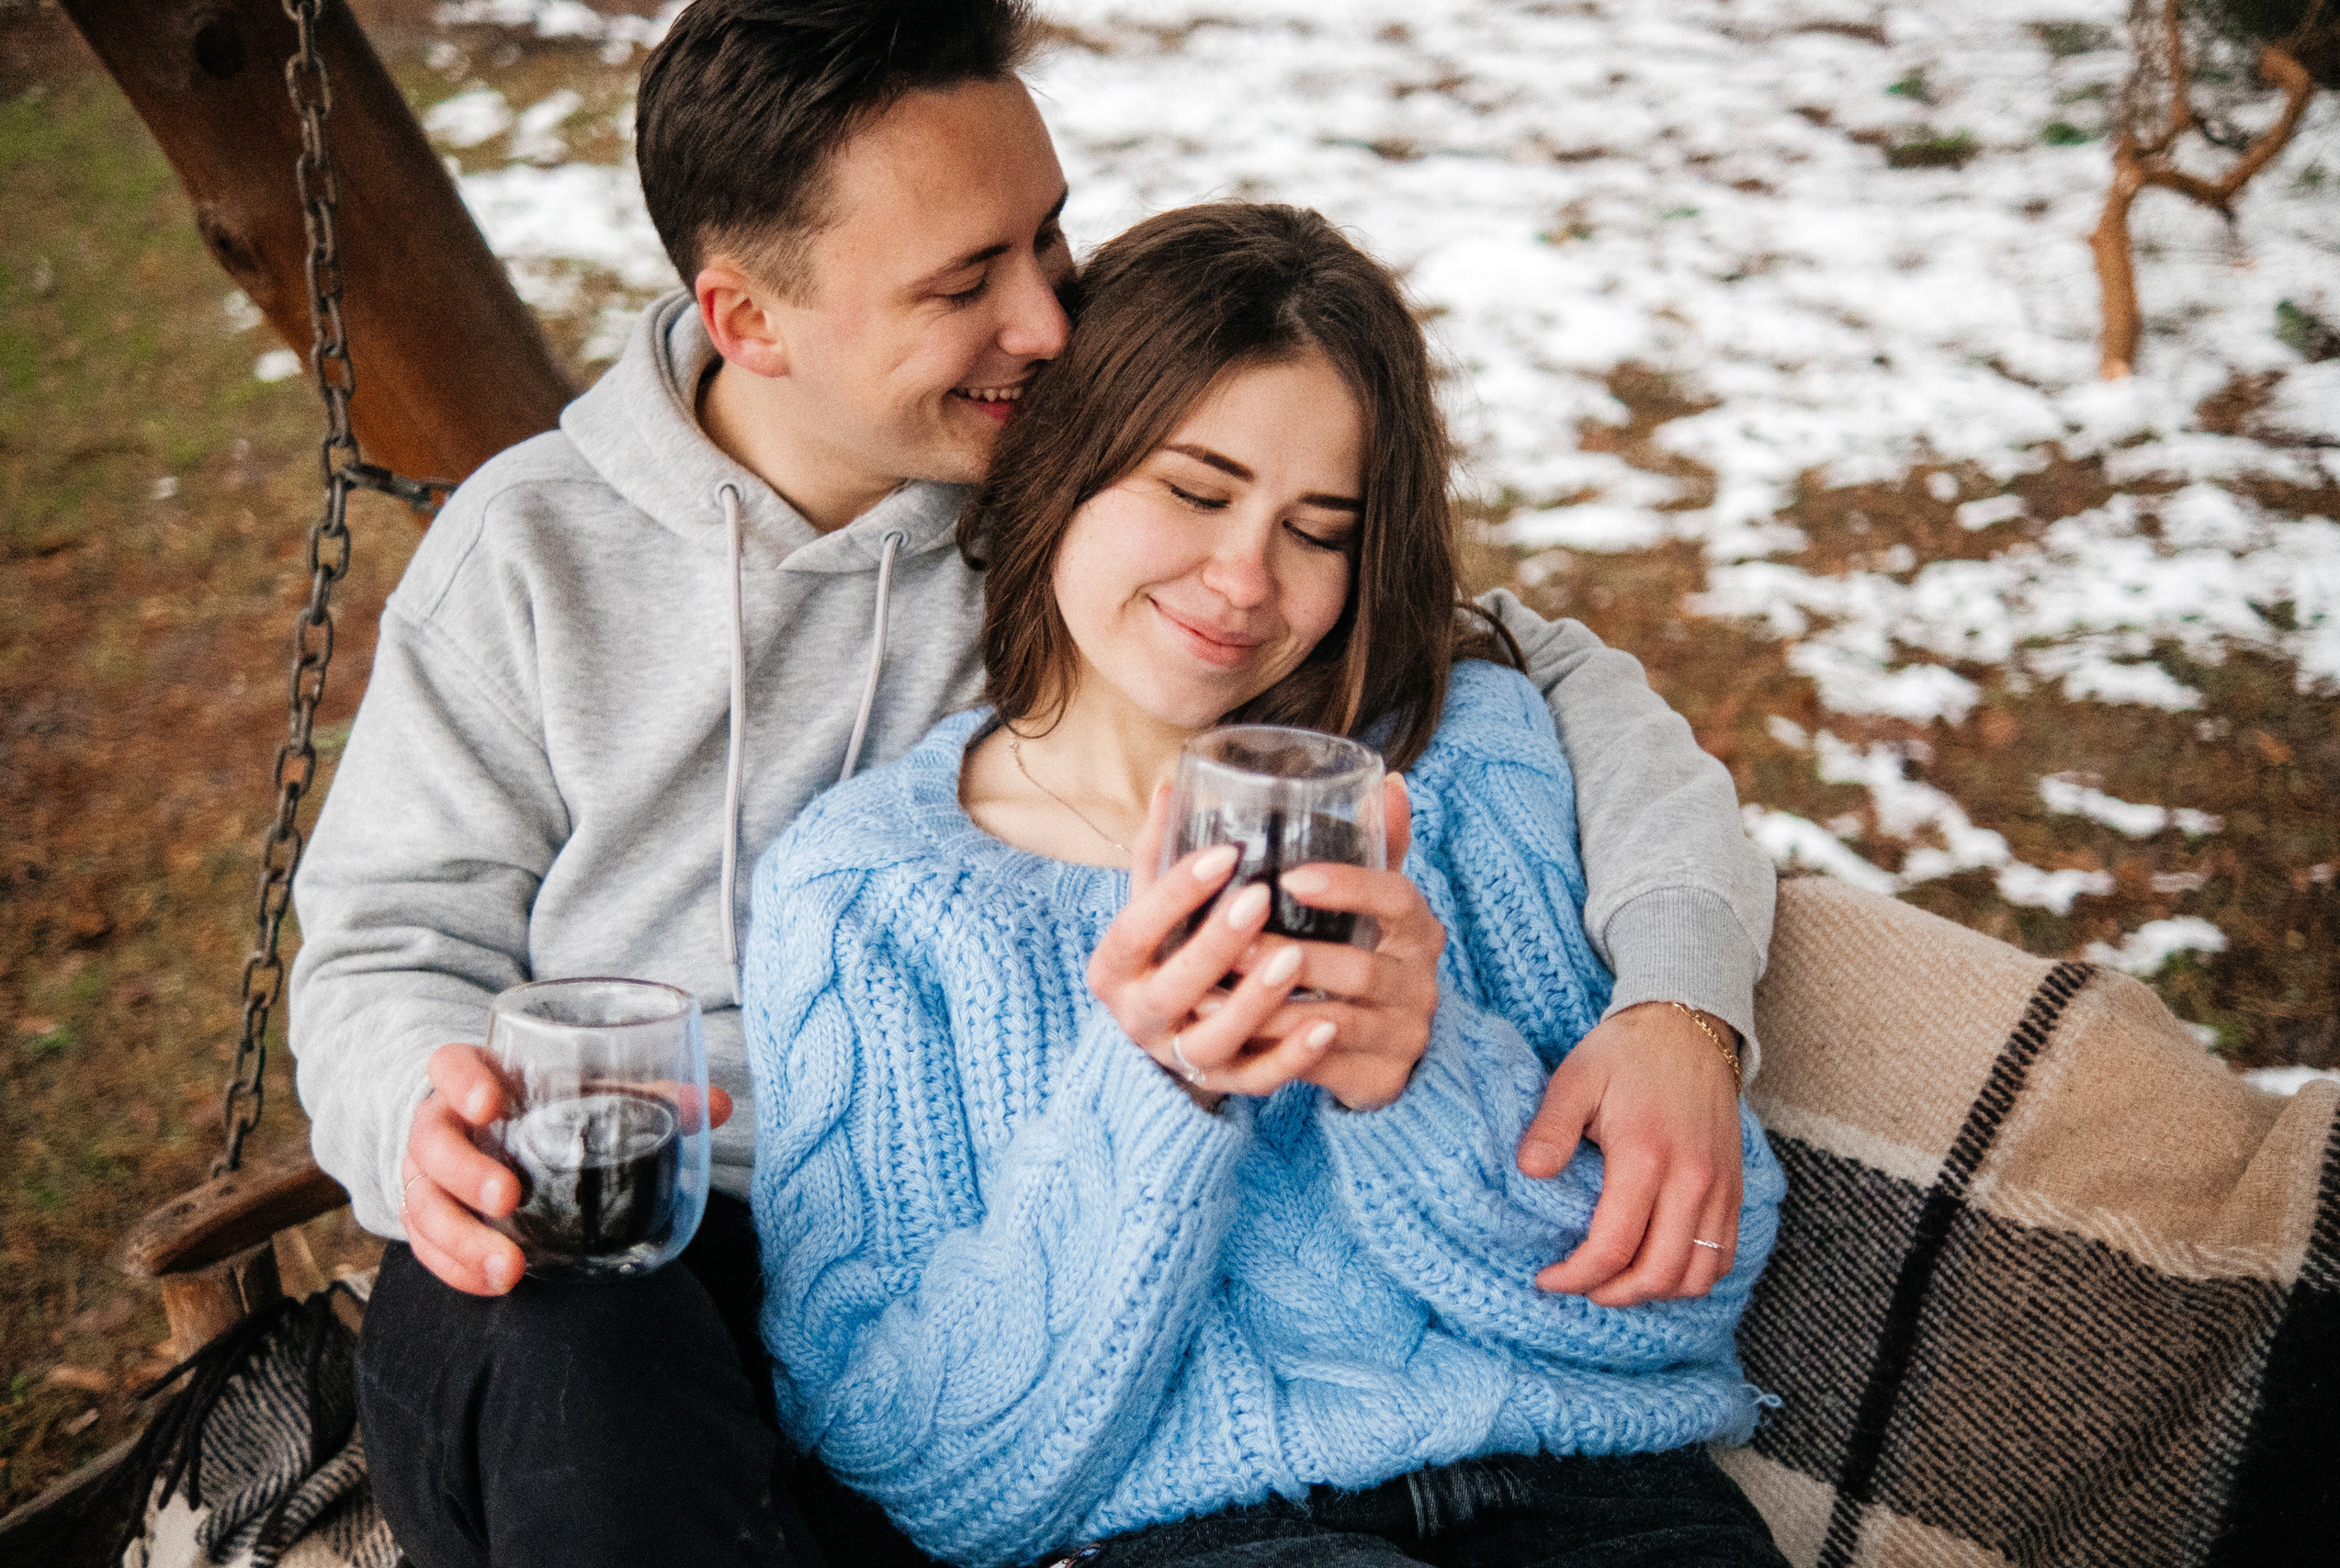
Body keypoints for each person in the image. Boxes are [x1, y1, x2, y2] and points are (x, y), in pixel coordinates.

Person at [288, 2, 1774, 1563]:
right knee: (574, 1349)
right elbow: (390, 944)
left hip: (975, 1225)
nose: (1051, 324)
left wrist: (1678, 996)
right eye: (963, 283)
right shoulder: (531, 560)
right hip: (665, 1204)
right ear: (751, 319)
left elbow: (1521, 670)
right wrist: (427, 1119)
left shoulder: (1069, 491)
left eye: (1047, 238)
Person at [743, 202, 1789, 1568]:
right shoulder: (867, 896)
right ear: (1061, 466)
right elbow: (912, 1462)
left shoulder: (1464, 771)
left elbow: (1678, 1305)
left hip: (1605, 1505)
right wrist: (1152, 1094)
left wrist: (1419, 1081)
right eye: (1195, 490)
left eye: (1321, 526)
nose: (1246, 579)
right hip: (1197, 1540)